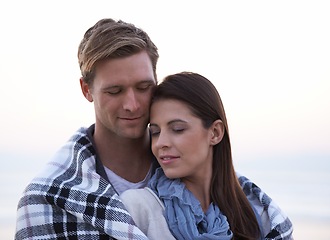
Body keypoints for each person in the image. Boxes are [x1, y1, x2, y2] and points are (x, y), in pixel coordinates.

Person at [15, 18, 159, 239]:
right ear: (86, 90)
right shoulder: (43, 200)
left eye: (143, 87)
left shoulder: (215, 179)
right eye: (114, 91)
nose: (132, 104)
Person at [120, 72, 294, 240]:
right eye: (155, 132)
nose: (160, 143)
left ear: (215, 133)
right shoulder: (138, 207)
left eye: (177, 129)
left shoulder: (258, 213)